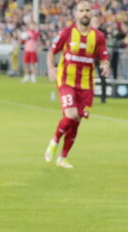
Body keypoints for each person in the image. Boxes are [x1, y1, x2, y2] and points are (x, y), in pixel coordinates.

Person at [43, 0, 109, 169]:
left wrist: (105, 65)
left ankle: (63, 157)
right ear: (76, 14)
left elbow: (103, 57)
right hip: (67, 81)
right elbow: (51, 51)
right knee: (71, 114)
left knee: (76, 121)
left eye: (88, 10)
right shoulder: (67, 32)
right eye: (82, 10)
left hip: (86, 85)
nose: (85, 13)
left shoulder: (98, 36)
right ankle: (54, 141)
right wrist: (51, 68)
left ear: (91, 13)